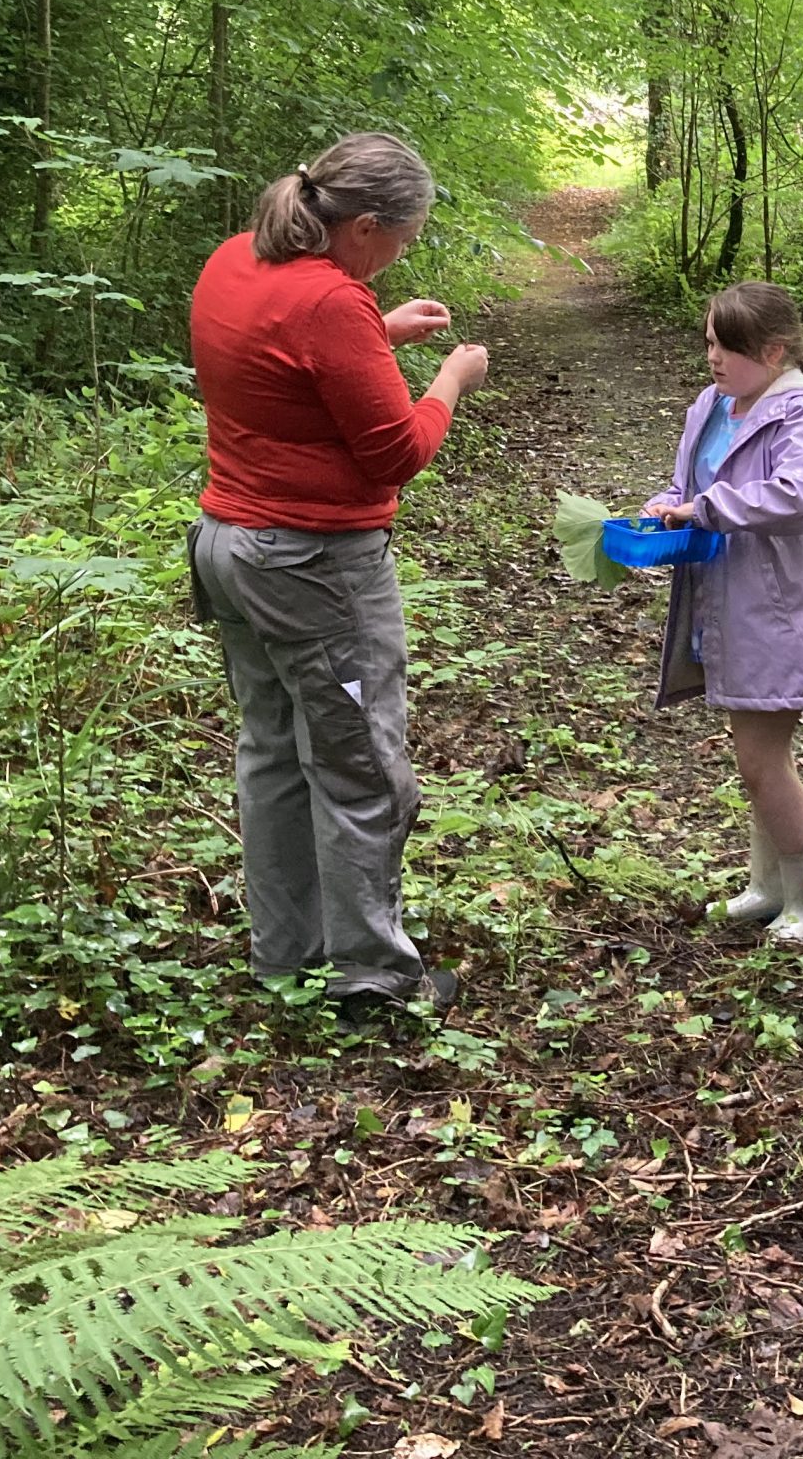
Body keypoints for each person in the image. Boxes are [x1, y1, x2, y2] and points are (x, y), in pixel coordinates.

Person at [187, 131, 490, 1019]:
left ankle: (285, 953)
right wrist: (448, 381)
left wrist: (376, 336)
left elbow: (273, 374)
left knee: (274, 751)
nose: (401, 257)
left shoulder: (236, 260)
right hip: (312, 567)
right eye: (403, 239)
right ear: (362, 227)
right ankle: (372, 977)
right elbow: (396, 451)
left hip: (230, 546)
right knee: (357, 763)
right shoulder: (330, 302)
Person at [649, 281, 803, 943]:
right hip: (724, 600)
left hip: (778, 609)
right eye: (709, 342)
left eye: (727, 347)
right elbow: (691, 485)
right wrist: (665, 505)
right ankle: (769, 886)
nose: (713, 358)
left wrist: (705, 510)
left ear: (773, 352)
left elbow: (799, 497)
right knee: (759, 758)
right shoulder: (714, 405)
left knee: (760, 761)